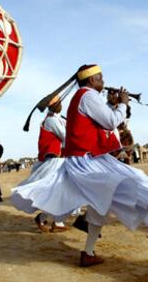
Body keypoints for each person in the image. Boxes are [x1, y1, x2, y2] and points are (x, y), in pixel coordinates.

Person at [9, 64, 148, 267]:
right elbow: (110, 122)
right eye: (100, 77)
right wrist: (123, 104)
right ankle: (83, 237)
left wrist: (116, 105)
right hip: (87, 161)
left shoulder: (83, 97)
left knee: (101, 203)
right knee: (136, 183)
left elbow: (101, 124)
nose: (103, 81)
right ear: (91, 80)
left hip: (86, 160)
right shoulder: (88, 95)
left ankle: (88, 252)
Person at [12, 96, 69, 232]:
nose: (61, 105)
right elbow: (66, 137)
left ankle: (45, 218)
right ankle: (56, 222)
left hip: (57, 160)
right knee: (58, 191)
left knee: (58, 192)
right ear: (53, 106)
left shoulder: (57, 119)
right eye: (59, 103)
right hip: (54, 161)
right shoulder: (51, 120)